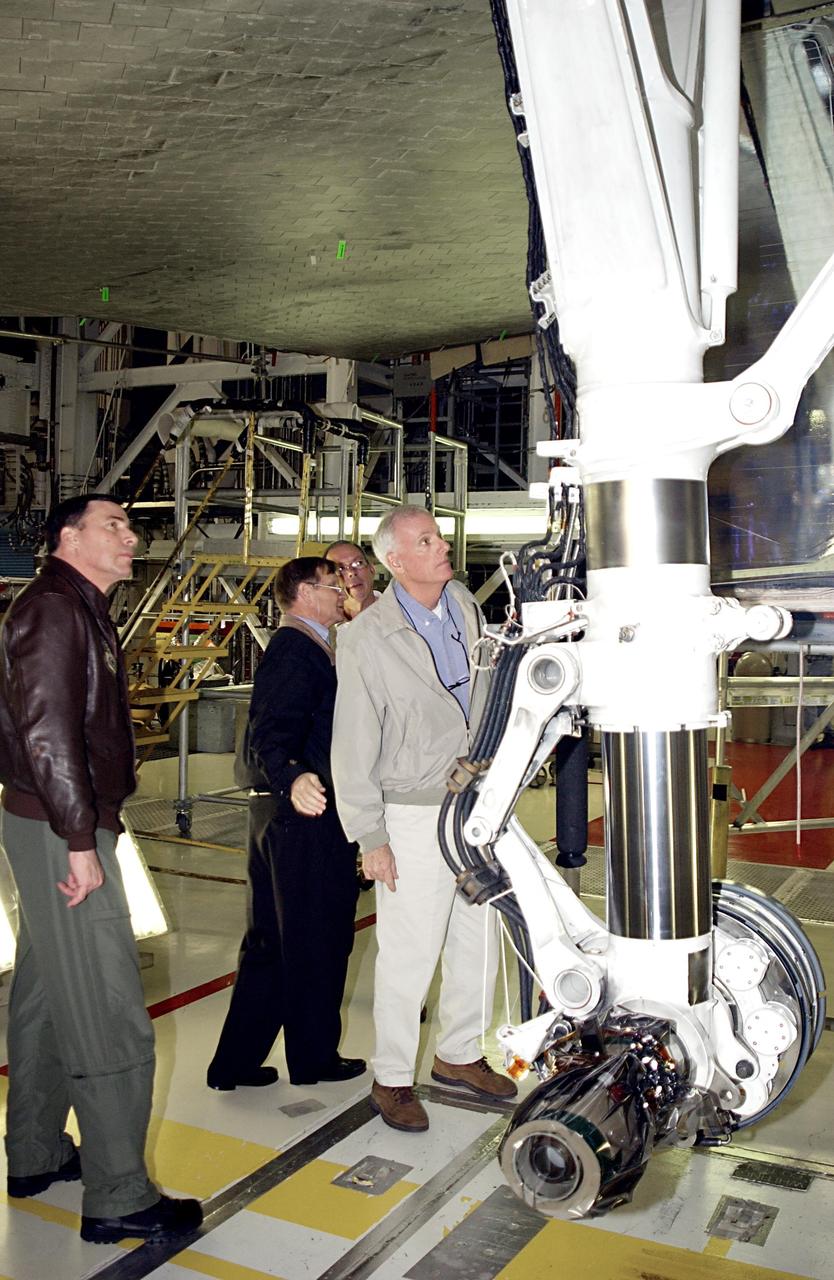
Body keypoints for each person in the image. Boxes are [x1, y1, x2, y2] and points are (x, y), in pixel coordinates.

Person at [0, 494, 202, 1245]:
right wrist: (81, 838)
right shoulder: (55, 608)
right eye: (112, 524)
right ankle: (118, 1192)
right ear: (67, 538)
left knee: (48, 994)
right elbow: (47, 732)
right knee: (111, 1008)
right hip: (64, 829)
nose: (131, 534)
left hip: (53, 821)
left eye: (129, 523)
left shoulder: (74, 605)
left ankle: (35, 1150)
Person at [332, 504, 516, 1132]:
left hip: (476, 805)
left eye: (438, 535)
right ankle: (391, 1077)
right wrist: (369, 836)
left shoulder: (462, 603)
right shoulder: (366, 637)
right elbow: (352, 743)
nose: (441, 546)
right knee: (408, 951)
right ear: (395, 561)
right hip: (411, 812)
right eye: (426, 540)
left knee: (478, 936)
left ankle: (459, 1054)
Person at [207, 557, 366, 1090]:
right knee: (317, 938)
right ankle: (314, 1058)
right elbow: (271, 729)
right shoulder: (298, 649)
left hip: (281, 813)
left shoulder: (312, 646)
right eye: (332, 583)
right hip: (306, 813)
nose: (342, 589)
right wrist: (293, 776)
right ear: (303, 592)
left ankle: (235, 1063)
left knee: (272, 942)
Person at [323, 540, 379, 619]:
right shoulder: (321, 626)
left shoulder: (397, 614)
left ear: (372, 569)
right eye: (340, 568)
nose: (351, 572)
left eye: (358, 563)